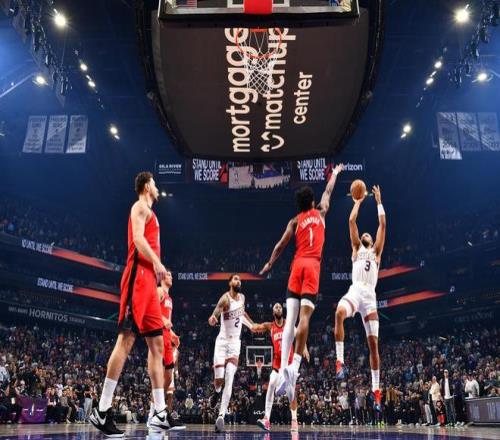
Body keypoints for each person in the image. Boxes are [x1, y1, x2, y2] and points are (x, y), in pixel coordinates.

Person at [90, 171, 172, 437]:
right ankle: (102, 410)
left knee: (157, 344)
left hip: (149, 284)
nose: (157, 188)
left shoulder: (151, 213)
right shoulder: (139, 207)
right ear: (147, 186)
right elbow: (138, 239)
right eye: (155, 184)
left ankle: (159, 412)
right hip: (138, 277)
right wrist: (157, 263)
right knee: (125, 339)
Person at [260, 164, 344, 403]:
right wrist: (335, 173)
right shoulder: (322, 212)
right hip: (312, 266)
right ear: (313, 202)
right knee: (304, 318)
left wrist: (269, 264)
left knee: (290, 320)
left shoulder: (295, 221)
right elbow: (328, 191)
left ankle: (283, 370)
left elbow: (280, 246)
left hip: (296, 266)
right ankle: (294, 367)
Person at [334, 185, 386, 411]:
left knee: (373, 344)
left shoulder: (376, 252)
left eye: (368, 234)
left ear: (372, 240)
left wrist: (379, 202)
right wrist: (358, 201)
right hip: (355, 291)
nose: (365, 234)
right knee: (339, 313)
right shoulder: (356, 248)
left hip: (370, 297)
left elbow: (382, 225)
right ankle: (339, 362)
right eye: (363, 234)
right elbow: (351, 221)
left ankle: (376, 390)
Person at [252, 303, 310, 433]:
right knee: (271, 382)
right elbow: (255, 327)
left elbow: (300, 335)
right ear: (273, 312)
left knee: (290, 392)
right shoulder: (270, 326)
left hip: (289, 364)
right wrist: (245, 320)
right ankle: (266, 419)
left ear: (282, 311)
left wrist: (305, 348)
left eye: (280, 307)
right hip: (277, 364)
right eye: (276, 307)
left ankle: (294, 420)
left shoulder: (289, 325)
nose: (278, 308)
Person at [208, 274, 255, 432]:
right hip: (222, 342)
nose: (238, 281)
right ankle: (216, 392)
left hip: (235, 344)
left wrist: (252, 325)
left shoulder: (242, 298)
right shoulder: (225, 299)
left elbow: (242, 314)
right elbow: (216, 311)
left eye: (240, 279)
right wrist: (213, 318)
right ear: (230, 283)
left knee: (229, 378)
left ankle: (221, 416)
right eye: (235, 279)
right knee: (219, 379)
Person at [147, 270, 185, 431]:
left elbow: (167, 322)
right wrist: (163, 320)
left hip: (167, 337)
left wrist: (173, 335)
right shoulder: (159, 291)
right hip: (158, 335)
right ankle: (152, 415)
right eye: (169, 275)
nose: (171, 277)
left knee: (168, 377)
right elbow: (150, 307)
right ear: (162, 277)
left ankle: (159, 412)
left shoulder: (169, 298)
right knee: (160, 376)